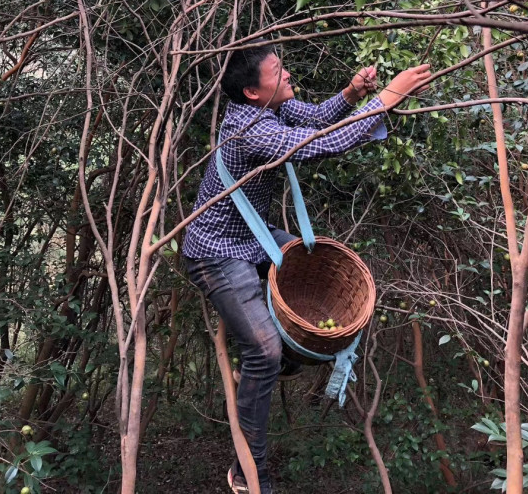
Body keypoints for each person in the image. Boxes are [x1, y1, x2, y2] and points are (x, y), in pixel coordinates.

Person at [182, 42, 431, 494]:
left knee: (308, 260)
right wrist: (389, 97)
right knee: (265, 351)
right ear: (253, 93)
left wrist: (354, 93)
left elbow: (316, 118)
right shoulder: (248, 130)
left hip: (254, 236)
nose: (287, 73)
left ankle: (258, 371)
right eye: (278, 71)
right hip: (216, 251)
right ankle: (246, 469)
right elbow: (323, 143)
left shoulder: (273, 109)